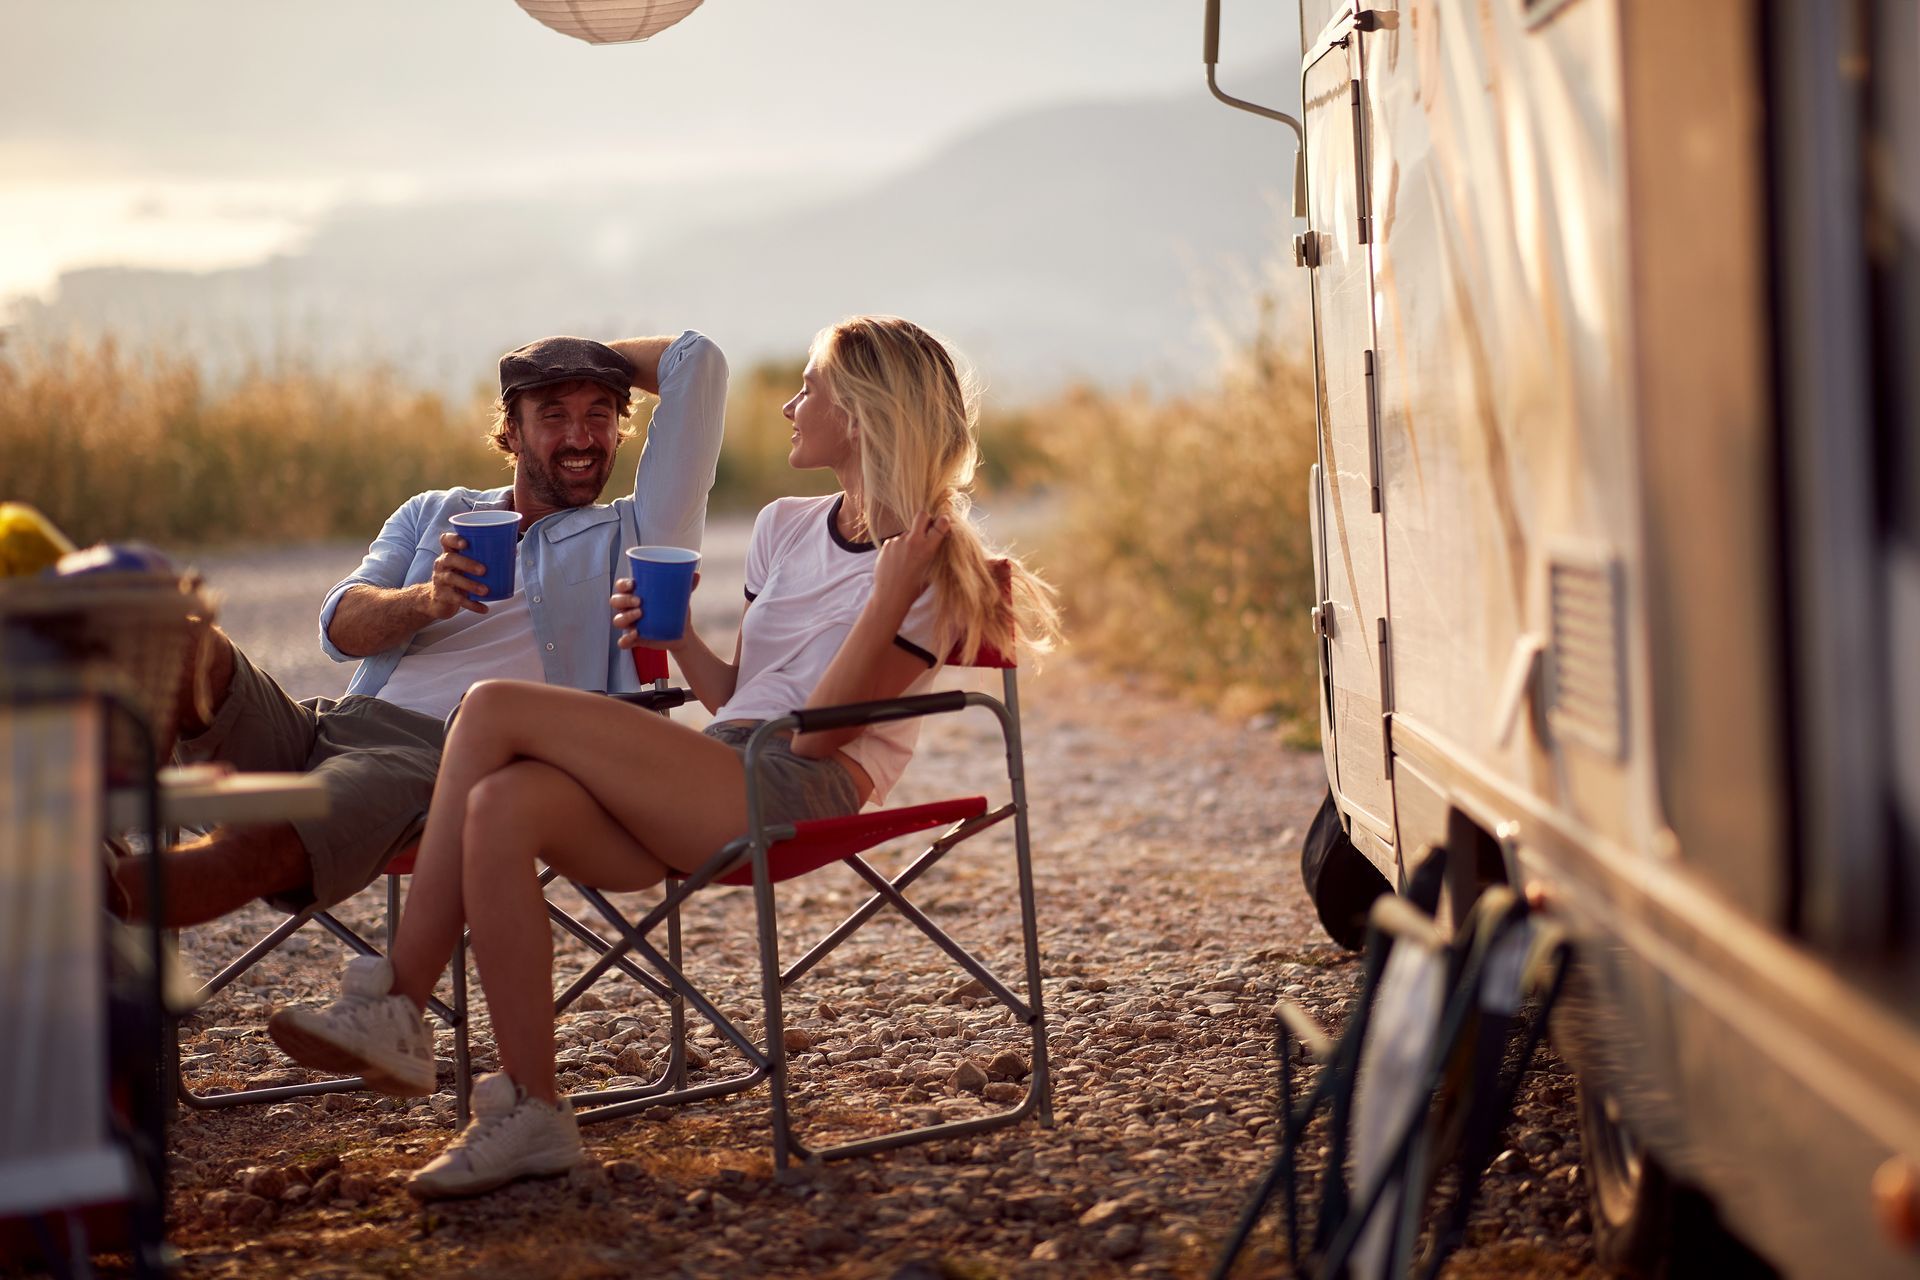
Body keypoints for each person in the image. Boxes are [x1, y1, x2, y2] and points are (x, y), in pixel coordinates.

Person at [266, 315, 1060, 1198]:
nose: (792, 405)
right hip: (722, 770)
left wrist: (888, 595)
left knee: (489, 708)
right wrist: (678, 638)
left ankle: (397, 1001)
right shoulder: (785, 527)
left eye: (811, 388)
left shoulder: (935, 559)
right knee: (504, 802)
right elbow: (739, 698)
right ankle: (533, 1111)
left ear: (867, 412)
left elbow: (825, 732)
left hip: (798, 786)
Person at [109, 331, 727, 927]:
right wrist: (428, 600)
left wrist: (586, 356)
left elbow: (698, 363)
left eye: (600, 414)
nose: (580, 436)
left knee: (280, 829)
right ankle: (92, 843)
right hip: (328, 727)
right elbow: (340, 627)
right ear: (509, 430)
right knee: (176, 640)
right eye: (553, 414)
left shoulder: (637, 531)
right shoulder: (435, 510)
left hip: (443, 756)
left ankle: (94, 916)